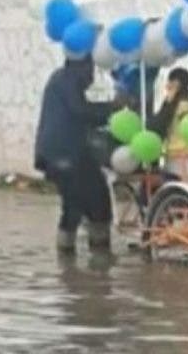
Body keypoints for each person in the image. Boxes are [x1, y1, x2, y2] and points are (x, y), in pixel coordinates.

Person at [35, 57, 116, 253]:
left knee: (79, 203)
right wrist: (111, 109)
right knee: (86, 203)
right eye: (91, 69)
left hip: (58, 153)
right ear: (83, 66)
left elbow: (80, 112)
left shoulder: (60, 79)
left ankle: (72, 267)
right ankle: (96, 257)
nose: (92, 76)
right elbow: (81, 111)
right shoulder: (69, 81)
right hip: (64, 154)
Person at [149, 68, 188, 174]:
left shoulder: (183, 106)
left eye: (170, 81)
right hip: (177, 158)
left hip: (180, 158)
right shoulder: (175, 104)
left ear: (176, 84)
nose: (167, 85)